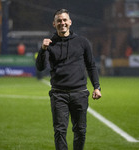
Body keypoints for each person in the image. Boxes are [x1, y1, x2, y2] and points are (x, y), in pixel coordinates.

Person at [36, 9, 102, 150]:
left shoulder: (82, 42)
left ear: (70, 22)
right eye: (59, 21)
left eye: (65, 20)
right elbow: (40, 67)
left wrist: (96, 87)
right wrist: (42, 50)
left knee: (80, 131)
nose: (62, 23)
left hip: (80, 93)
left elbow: (91, 66)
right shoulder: (50, 43)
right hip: (59, 94)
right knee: (60, 131)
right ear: (54, 24)